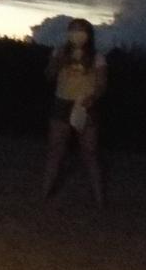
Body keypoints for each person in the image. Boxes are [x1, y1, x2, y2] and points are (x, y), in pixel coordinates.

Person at [39, 18, 106, 206]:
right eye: (72, 30)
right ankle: (44, 195)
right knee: (55, 150)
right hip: (61, 103)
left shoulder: (97, 57)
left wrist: (92, 98)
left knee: (90, 153)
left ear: (88, 35)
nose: (76, 34)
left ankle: (99, 199)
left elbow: (102, 84)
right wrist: (57, 61)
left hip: (85, 105)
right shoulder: (59, 52)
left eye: (80, 30)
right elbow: (49, 75)